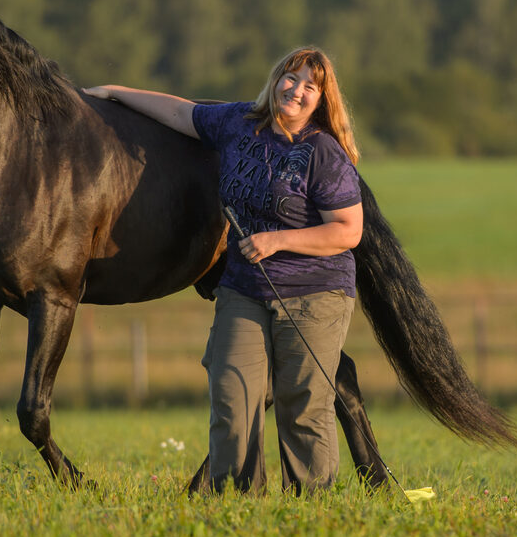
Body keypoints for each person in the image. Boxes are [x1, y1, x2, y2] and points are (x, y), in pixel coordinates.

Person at [84, 47, 362, 495]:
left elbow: (348, 231)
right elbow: (179, 111)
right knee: (232, 398)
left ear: (321, 100)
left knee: (303, 404)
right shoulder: (237, 123)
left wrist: (278, 240)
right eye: (290, 78)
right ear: (275, 80)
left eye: (310, 86)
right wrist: (114, 93)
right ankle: (237, 501)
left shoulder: (323, 153)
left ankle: (314, 508)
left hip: (315, 294)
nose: (296, 90)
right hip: (244, 288)